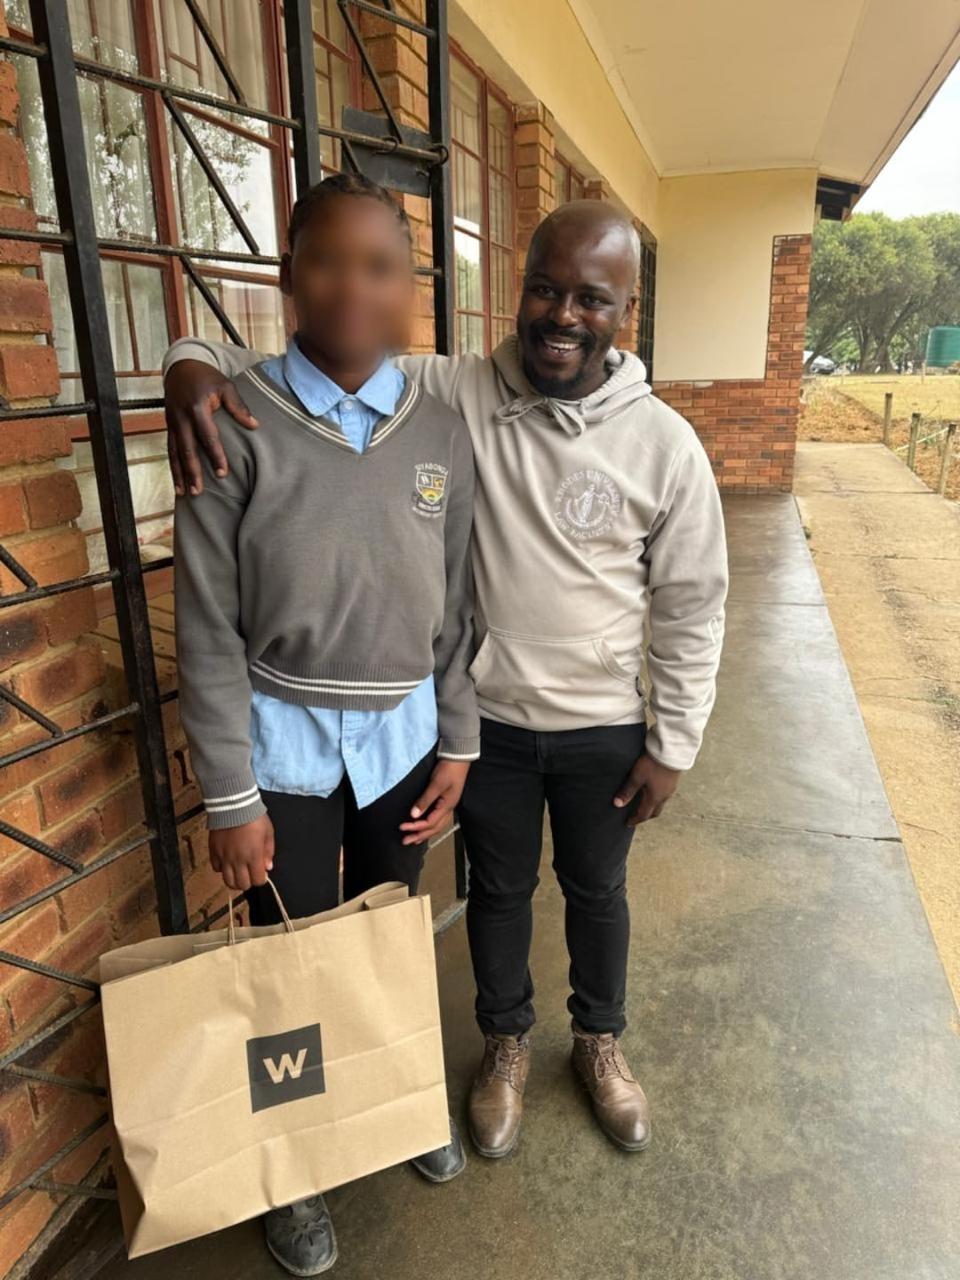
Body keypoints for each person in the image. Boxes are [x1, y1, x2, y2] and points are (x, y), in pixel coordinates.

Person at [166, 199, 728, 1165]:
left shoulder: (659, 444)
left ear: (626, 312)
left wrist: (673, 742)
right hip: (478, 726)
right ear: (517, 293)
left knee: (588, 891)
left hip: (592, 724)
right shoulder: (454, 391)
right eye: (544, 290)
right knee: (483, 895)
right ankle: (491, 1050)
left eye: (591, 299)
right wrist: (185, 361)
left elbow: (692, 605)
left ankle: (595, 1042)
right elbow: (321, 347)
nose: (563, 315)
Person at [173, 173, 478, 1277]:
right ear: (289, 273)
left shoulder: (439, 429)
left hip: (401, 746)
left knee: (387, 937)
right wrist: (230, 795)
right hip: (284, 754)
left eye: (381, 266)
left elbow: (459, 600)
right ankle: (295, 1163)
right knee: (289, 956)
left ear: (409, 286)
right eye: (328, 260)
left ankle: (396, 1101)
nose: (355, 286)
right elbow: (206, 623)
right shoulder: (237, 419)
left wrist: (458, 739)